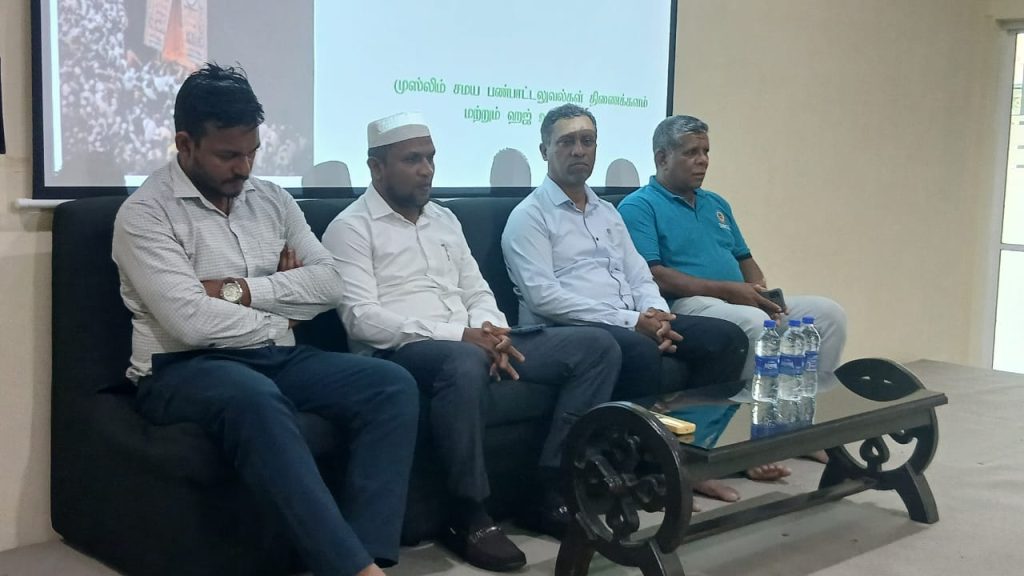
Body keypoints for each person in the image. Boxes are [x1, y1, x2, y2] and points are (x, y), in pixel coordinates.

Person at [111, 64, 418, 576]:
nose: (244, 167)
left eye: (252, 152)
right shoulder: (145, 214)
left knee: (391, 384)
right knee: (253, 397)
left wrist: (242, 291)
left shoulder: (272, 199)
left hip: (272, 357)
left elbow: (331, 282)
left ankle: (371, 552)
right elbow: (190, 322)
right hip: (179, 368)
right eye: (228, 155)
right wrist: (280, 317)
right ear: (184, 144)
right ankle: (353, 571)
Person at [322, 112, 621, 572]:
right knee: (462, 362)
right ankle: (468, 512)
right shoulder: (350, 227)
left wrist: (493, 332)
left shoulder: (444, 218)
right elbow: (362, 319)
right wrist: (463, 337)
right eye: (412, 160)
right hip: (403, 352)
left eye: (431, 158)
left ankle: (551, 484)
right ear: (376, 167)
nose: (426, 170)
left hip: (473, 338)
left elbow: (476, 289)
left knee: (596, 348)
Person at [501, 103, 784, 501]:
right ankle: (640, 469)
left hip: (632, 318)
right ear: (544, 150)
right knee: (639, 349)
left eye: (587, 141)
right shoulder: (529, 217)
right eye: (566, 142)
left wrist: (658, 314)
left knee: (725, 338)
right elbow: (544, 297)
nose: (579, 150)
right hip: (571, 328)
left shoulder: (606, 212)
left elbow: (639, 273)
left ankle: (691, 459)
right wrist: (633, 321)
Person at [617, 114, 847, 385]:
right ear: (662, 158)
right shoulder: (639, 206)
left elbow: (744, 258)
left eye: (705, 151)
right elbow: (654, 275)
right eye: (691, 152)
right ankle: (749, 406)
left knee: (828, 315)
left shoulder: (716, 203)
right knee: (755, 322)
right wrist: (730, 291)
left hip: (736, 299)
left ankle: (807, 400)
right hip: (687, 304)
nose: (703, 160)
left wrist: (760, 294)